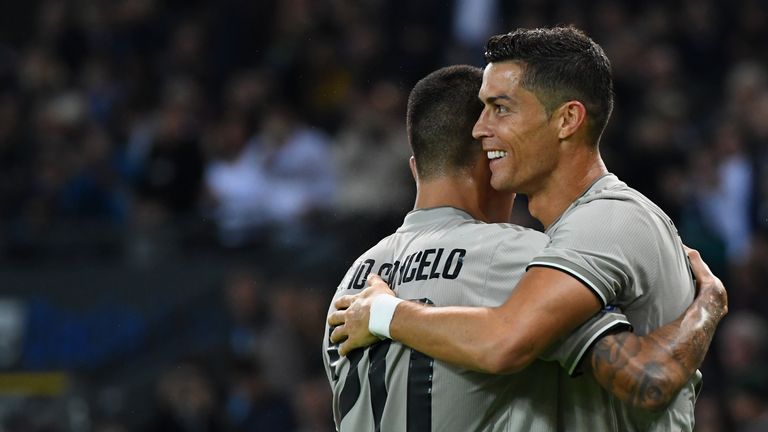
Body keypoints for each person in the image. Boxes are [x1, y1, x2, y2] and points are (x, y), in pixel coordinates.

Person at [328, 27, 727, 431]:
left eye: (500, 108)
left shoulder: (610, 219)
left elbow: (641, 378)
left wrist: (384, 312)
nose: (480, 129)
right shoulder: (542, 246)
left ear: (568, 119)